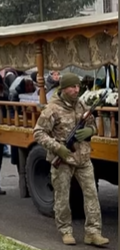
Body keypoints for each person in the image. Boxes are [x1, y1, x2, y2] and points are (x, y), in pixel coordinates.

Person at [33, 73, 108, 246]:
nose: (76, 90)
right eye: (72, 87)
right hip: (63, 160)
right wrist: (57, 147)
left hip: (83, 158)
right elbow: (38, 133)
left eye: (77, 86)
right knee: (62, 197)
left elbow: (91, 124)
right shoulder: (52, 109)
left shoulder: (82, 104)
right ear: (63, 88)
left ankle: (93, 232)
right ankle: (65, 230)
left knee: (92, 195)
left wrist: (91, 131)